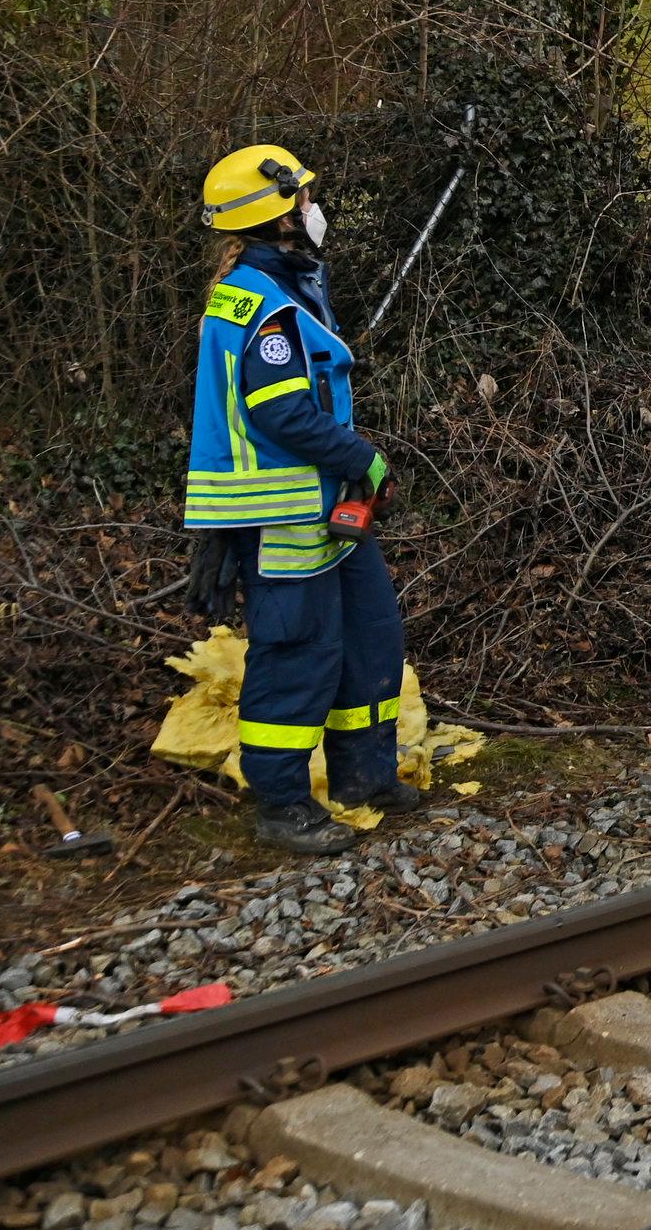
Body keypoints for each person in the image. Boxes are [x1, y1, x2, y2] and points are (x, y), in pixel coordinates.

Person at [185, 145, 422, 857]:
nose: (317, 209)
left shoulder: (285, 286)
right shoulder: (265, 303)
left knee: (371, 635)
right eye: (308, 199)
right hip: (286, 513)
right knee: (298, 655)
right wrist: (364, 458)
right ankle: (282, 805)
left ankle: (365, 777)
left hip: (324, 506)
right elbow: (282, 413)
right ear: (282, 213)